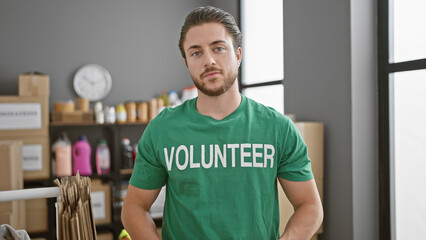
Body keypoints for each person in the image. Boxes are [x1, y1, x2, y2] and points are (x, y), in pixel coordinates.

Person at [121, 6, 323, 240]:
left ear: (237, 55)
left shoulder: (278, 128)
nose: (209, 60)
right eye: (196, 53)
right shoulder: (162, 130)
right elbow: (134, 207)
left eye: (218, 48)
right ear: (187, 62)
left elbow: (310, 205)